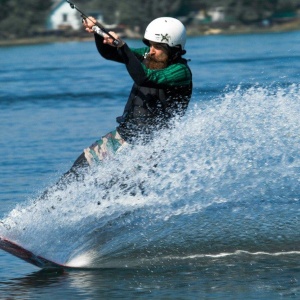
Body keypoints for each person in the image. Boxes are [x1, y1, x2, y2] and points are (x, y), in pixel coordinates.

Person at [54, 17, 193, 189]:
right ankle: (37, 212)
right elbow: (111, 53)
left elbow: (144, 78)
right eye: (150, 44)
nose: (151, 50)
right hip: (123, 135)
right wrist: (98, 31)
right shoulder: (147, 54)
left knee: (115, 189)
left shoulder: (180, 72)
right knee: (76, 172)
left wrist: (123, 46)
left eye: (158, 46)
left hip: (146, 147)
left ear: (174, 49)